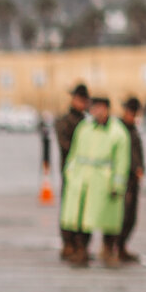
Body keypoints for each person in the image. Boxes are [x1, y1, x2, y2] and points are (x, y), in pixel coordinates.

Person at [62, 96, 130, 266]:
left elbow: (122, 161)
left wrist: (118, 183)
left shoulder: (118, 132)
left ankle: (108, 250)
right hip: (83, 179)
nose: (96, 111)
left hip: (104, 181)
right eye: (94, 108)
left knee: (109, 218)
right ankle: (82, 250)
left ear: (107, 109)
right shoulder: (84, 128)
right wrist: (70, 173)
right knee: (82, 219)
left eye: (99, 107)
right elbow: (74, 153)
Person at [54, 82, 92, 263]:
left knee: (85, 208)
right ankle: (68, 243)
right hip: (70, 171)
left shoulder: (88, 122)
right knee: (68, 208)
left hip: (86, 172)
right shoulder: (65, 121)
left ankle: (81, 244)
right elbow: (66, 145)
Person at [116, 97, 146, 260]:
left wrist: (141, 168)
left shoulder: (133, 129)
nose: (133, 116)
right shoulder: (118, 129)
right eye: (131, 112)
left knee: (131, 216)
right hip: (123, 179)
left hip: (133, 179)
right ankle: (114, 247)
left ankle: (121, 247)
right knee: (120, 215)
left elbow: (137, 152)